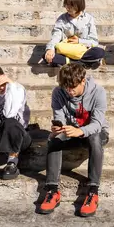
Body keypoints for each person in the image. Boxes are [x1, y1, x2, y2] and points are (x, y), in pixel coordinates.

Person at [37, 64, 108, 217]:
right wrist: (58, 128)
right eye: (66, 87)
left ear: (83, 80)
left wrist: (80, 131)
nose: (69, 91)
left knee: (95, 138)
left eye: (73, 87)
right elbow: (59, 118)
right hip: (71, 131)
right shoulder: (58, 92)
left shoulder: (98, 92)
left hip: (95, 132)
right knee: (54, 139)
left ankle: (93, 190)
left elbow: (97, 124)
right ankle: (52, 190)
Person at [44, 0, 105, 67]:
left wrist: (79, 41)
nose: (67, 8)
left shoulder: (89, 19)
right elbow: (56, 36)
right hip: (67, 51)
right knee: (47, 56)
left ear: (79, 5)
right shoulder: (62, 19)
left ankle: (70, 62)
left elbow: (94, 42)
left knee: (99, 52)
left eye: (71, 6)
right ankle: (84, 63)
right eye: (66, 5)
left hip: (82, 51)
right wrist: (50, 49)